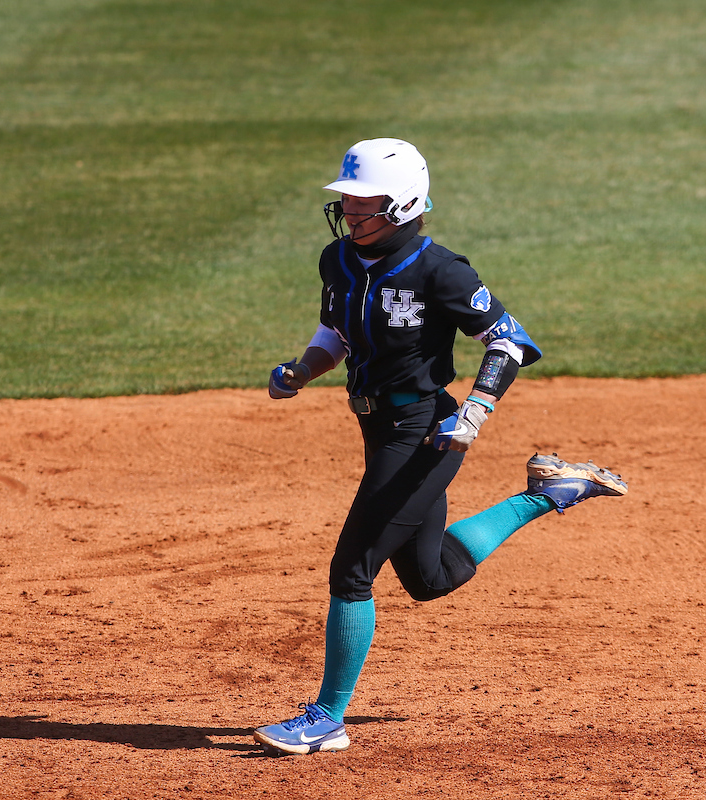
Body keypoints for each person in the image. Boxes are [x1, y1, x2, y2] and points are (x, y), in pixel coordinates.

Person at [253, 138, 628, 756]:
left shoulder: (441, 270)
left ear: (401, 204)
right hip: (378, 431)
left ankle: (326, 719)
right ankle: (550, 492)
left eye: (362, 201)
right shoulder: (338, 260)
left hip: (426, 432)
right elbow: (339, 330)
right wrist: (301, 370)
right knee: (431, 577)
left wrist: (476, 411)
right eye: (344, 199)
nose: (348, 211)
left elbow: (509, 342)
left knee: (352, 568)